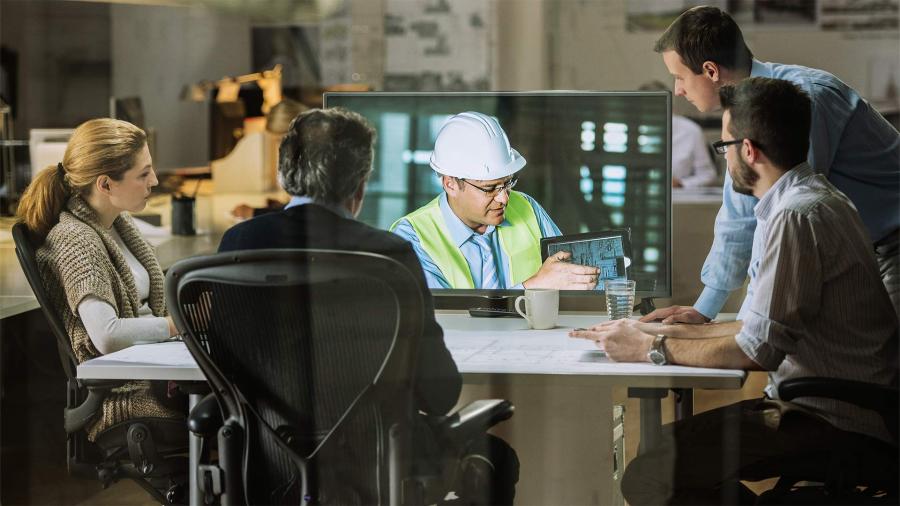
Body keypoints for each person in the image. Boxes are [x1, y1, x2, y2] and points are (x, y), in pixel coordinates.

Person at [571, 77, 898, 505]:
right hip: (833, 407)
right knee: (661, 455)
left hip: (832, 417)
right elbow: (756, 327)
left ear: (749, 150)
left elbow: (756, 350)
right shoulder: (809, 199)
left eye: (724, 146)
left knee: (651, 474)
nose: (724, 158)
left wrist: (647, 351)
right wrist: (650, 332)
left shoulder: (795, 217)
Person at [218, 107, 519, 504]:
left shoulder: (238, 246)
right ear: (360, 186)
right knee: (499, 458)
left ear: (284, 175)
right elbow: (440, 393)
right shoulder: (388, 255)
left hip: (266, 468)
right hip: (378, 468)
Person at [645, 5, 900, 325]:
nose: (678, 90)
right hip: (862, 252)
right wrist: (704, 309)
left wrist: (744, 326)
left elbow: (784, 217)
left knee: (884, 363)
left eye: (679, 77)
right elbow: (738, 213)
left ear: (710, 71)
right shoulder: (743, 112)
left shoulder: (802, 98)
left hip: (892, 245)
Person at [16, 118, 182, 441]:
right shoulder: (75, 240)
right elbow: (107, 335)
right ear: (105, 185)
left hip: (155, 370)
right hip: (126, 397)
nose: (155, 180)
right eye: (143, 173)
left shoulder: (118, 224)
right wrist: (176, 327)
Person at [392, 111, 599, 290]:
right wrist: (533, 287)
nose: (504, 198)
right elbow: (442, 316)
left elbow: (569, 278)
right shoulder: (412, 237)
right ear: (450, 184)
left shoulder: (527, 208)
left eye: (507, 183)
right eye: (490, 188)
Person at [640, 80, 717, 188]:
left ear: (670, 107)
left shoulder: (691, 131)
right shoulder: (631, 131)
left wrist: (681, 183)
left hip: (678, 199)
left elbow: (708, 175)